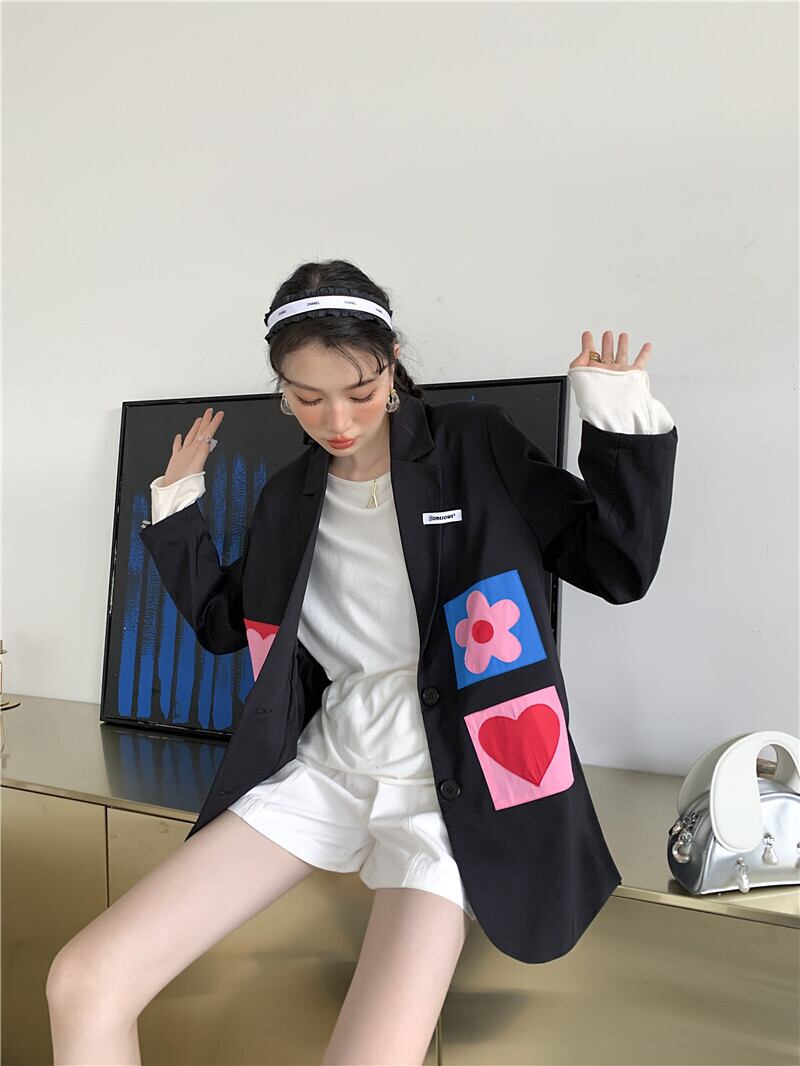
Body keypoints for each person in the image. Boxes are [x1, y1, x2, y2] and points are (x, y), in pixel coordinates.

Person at [46, 259, 675, 1066]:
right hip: (325, 774)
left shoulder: (474, 447)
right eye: (307, 398)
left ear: (393, 361)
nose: (337, 419)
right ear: (281, 388)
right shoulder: (288, 498)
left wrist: (618, 422)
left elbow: (616, 567)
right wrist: (175, 504)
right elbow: (224, 624)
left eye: (360, 390)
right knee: (84, 982)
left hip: (455, 788)